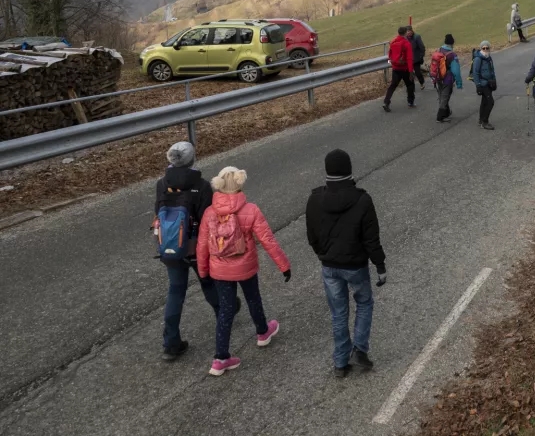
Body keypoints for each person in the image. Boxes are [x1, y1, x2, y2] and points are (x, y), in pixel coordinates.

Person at [197, 167, 290, 377]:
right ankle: (262, 332)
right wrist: (284, 265)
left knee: (226, 309)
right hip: (245, 266)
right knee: (253, 297)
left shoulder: (209, 213)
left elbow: (202, 245)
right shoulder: (251, 210)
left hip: (219, 269)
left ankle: (220, 358)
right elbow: (267, 240)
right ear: (240, 184)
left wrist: (203, 271)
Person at [306, 149, 387, 379]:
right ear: (349, 170)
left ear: (327, 171)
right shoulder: (362, 199)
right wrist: (380, 266)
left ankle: (340, 362)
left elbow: (311, 235)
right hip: (356, 265)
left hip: (329, 265)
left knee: (338, 312)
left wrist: (323, 253)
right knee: (364, 302)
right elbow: (371, 239)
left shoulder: (314, 199)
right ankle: (359, 350)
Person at [156, 141, 235, 361]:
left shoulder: (161, 184)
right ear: (193, 160)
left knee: (175, 291)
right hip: (196, 247)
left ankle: (171, 343)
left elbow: (158, 212)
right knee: (208, 283)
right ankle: (224, 318)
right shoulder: (201, 186)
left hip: (170, 247)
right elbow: (208, 220)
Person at [431, 34, 462, 123]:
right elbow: (456, 71)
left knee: (442, 94)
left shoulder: (440, 50)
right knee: (445, 96)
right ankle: (440, 116)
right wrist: (459, 83)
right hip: (447, 79)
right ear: (452, 43)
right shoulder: (452, 55)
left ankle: (446, 112)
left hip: (438, 77)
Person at [383, 26, 415, 112]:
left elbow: (389, 55)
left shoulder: (393, 41)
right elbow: (409, 59)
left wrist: (392, 64)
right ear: (405, 33)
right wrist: (411, 71)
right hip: (405, 69)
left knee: (393, 86)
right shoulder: (407, 43)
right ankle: (410, 102)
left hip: (395, 68)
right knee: (410, 85)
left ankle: (386, 102)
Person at [471, 41, 497, 130]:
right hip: (483, 84)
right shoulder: (478, 59)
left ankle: (481, 119)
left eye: (487, 48)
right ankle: (485, 122)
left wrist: (494, 81)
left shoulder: (489, 58)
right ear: (481, 48)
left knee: (484, 101)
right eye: (483, 48)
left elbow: (492, 70)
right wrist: (478, 85)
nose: (485, 50)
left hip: (489, 83)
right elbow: (475, 73)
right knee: (490, 102)